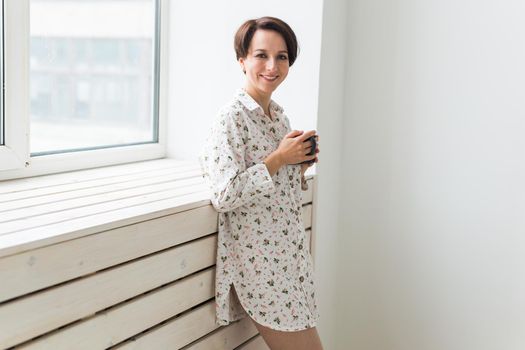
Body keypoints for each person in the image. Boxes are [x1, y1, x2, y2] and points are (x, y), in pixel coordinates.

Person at [199, 16, 323, 350]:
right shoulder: (229, 120)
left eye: (282, 57)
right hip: (260, 268)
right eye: (261, 55)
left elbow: (275, 192)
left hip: (292, 260)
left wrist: (297, 165)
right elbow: (224, 194)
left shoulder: (280, 116)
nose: (272, 65)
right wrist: (279, 158)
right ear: (242, 60)